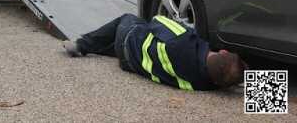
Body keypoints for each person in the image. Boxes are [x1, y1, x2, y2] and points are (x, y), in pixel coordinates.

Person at [62, 14, 249, 90]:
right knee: (130, 45)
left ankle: (81, 44)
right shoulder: (204, 84)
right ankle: (96, 47)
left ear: (223, 52)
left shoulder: (182, 40)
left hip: (127, 40)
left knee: (128, 18)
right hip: (130, 64)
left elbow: (156, 19)